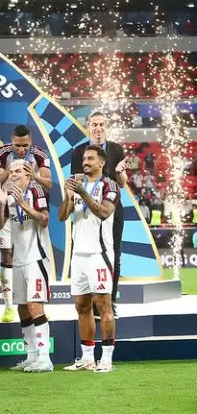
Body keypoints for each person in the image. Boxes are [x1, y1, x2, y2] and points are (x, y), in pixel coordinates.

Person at [60, 145, 119, 373]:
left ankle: (106, 359)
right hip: (79, 255)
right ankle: (87, 358)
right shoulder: (77, 184)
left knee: (103, 305)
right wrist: (68, 196)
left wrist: (83, 193)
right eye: (84, 159)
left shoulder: (109, 185)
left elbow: (104, 212)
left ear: (101, 162)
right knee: (81, 306)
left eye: (90, 159)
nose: (85, 162)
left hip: (99, 254)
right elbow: (62, 216)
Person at [0, 160, 53, 372]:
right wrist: (2, 203)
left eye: (18, 171)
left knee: (35, 306)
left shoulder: (36, 191)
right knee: (22, 308)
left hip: (36, 256)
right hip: (18, 258)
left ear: (28, 173)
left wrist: (24, 205)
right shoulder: (9, 195)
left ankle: (45, 358)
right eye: (11, 171)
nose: (13, 175)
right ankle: (32, 356)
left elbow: (44, 219)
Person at [70, 112, 129, 316]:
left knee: (115, 256)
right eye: (94, 124)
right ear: (88, 126)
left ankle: (110, 302)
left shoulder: (116, 149)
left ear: (107, 126)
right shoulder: (79, 151)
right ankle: (91, 303)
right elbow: (76, 179)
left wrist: (120, 171)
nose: (98, 128)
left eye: (102, 124)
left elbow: (122, 183)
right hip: (86, 209)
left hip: (112, 209)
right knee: (86, 254)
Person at [0, 125, 52, 323]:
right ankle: (8, 306)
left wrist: (32, 175)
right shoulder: (2, 152)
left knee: (31, 242)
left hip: (29, 202)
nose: (21, 150)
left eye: (25, 146)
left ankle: (37, 303)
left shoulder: (39, 154)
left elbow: (49, 184)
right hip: (7, 202)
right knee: (6, 252)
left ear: (31, 141)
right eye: (17, 146)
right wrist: (10, 173)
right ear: (12, 140)